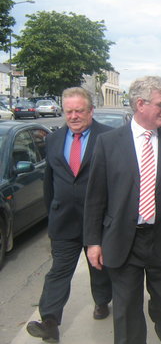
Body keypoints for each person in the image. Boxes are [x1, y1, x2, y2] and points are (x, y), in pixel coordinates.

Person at [84, 76, 161, 344]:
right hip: (124, 239)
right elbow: (95, 198)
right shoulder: (108, 143)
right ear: (140, 104)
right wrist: (93, 242)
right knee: (125, 310)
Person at [27, 87, 113, 343]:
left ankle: (102, 301)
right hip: (63, 220)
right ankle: (50, 321)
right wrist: (51, 212)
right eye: (69, 112)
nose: (74, 116)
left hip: (97, 221)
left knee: (99, 268)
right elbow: (49, 182)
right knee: (59, 271)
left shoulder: (109, 138)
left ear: (90, 111)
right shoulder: (53, 139)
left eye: (79, 111)